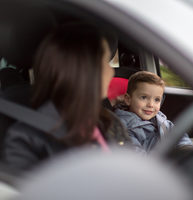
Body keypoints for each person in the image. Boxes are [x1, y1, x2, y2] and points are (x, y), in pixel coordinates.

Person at [0, 23, 131, 174]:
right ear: (85, 70)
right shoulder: (26, 139)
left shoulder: (109, 121)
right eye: (105, 62)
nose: (112, 72)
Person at [114, 71, 192, 153]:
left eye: (156, 100)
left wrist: (185, 147)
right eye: (144, 97)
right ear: (128, 99)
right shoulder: (124, 128)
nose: (151, 105)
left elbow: (178, 135)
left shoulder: (160, 119)